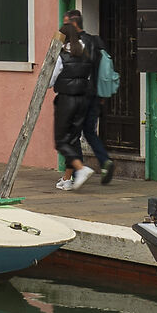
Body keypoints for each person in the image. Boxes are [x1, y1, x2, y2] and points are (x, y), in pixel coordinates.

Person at [61, 9, 114, 185]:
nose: (63, 27)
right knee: (90, 131)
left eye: (66, 24)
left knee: (73, 133)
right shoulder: (95, 41)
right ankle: (105, 161)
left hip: (79, 95)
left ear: (73, 24)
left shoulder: (74, 45)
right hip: (95, 94)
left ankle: (78, 172)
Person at [51, 24, 99, 190]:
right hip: (83, 100)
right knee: (73, 139)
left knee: (61, 141)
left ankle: (80, 169)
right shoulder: (87, 53)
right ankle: (67, 178)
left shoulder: (61, 56)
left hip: (66, 100)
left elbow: (50, 80)